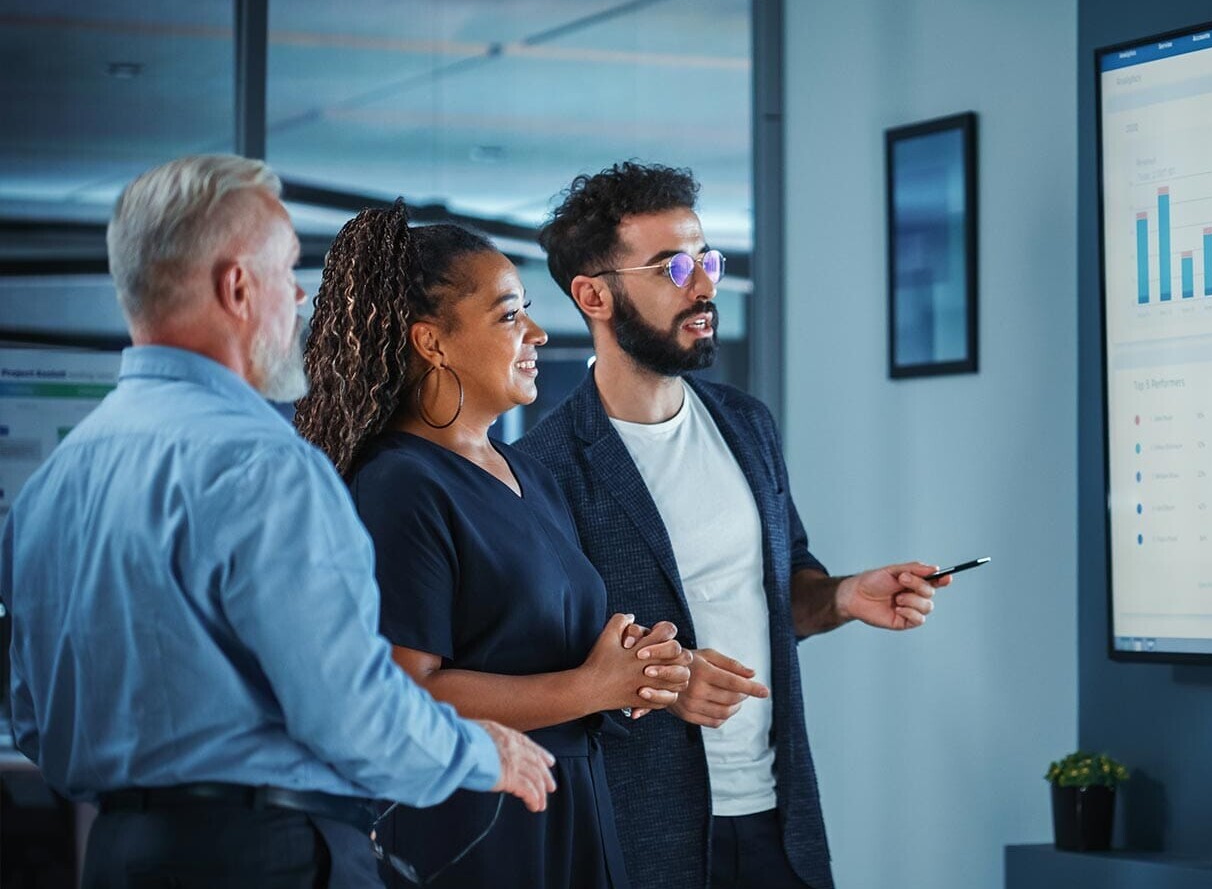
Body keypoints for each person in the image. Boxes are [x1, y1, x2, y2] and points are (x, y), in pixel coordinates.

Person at [0, 155, 558, 889]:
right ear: (237, 287)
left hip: (115, 854)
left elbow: (33, 720)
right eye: (288, 270)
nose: (299, 297)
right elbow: (351, 711)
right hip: (269, 854)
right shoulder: (263, 466)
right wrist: (483, 753)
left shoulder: (54, 485)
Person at [518, 162, 951, 889]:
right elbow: (548, 668)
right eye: (673, 267)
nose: (704, 286)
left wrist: (843, 597)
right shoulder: (544, 468)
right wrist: (663, 685)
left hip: (780, 819)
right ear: (594, 295)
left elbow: (783, 591)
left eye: (707, 259)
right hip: (642, 836)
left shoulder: (747, 424)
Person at [294, 203, 694, 888]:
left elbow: (543, 647)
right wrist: (587, 686)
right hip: (474, 824)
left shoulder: (530, 474)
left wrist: (633, 670)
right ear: (432, 343)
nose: (537, 332)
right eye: (510, 316)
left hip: (570, 805)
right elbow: (406, 691)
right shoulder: (398, 485)